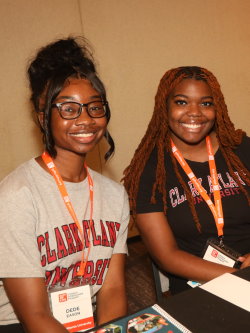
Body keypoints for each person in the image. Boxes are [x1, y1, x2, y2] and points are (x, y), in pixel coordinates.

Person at [0, 37, 129, 332]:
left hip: (89, 321)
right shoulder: (16, 196)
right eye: (68, 109)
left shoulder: (114, 194)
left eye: (94, 107)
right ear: (42, 117)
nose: (85, 119)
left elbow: (112, 290)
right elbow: (35, 316)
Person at [123, 66, 250, 295]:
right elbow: (167, 256)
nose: (195, 113)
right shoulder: (149, 172)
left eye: (206, 103)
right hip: (199, 286)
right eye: (181, 102)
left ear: (217, 107)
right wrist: (239, 278)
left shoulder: (241, 149)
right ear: (165, 106)